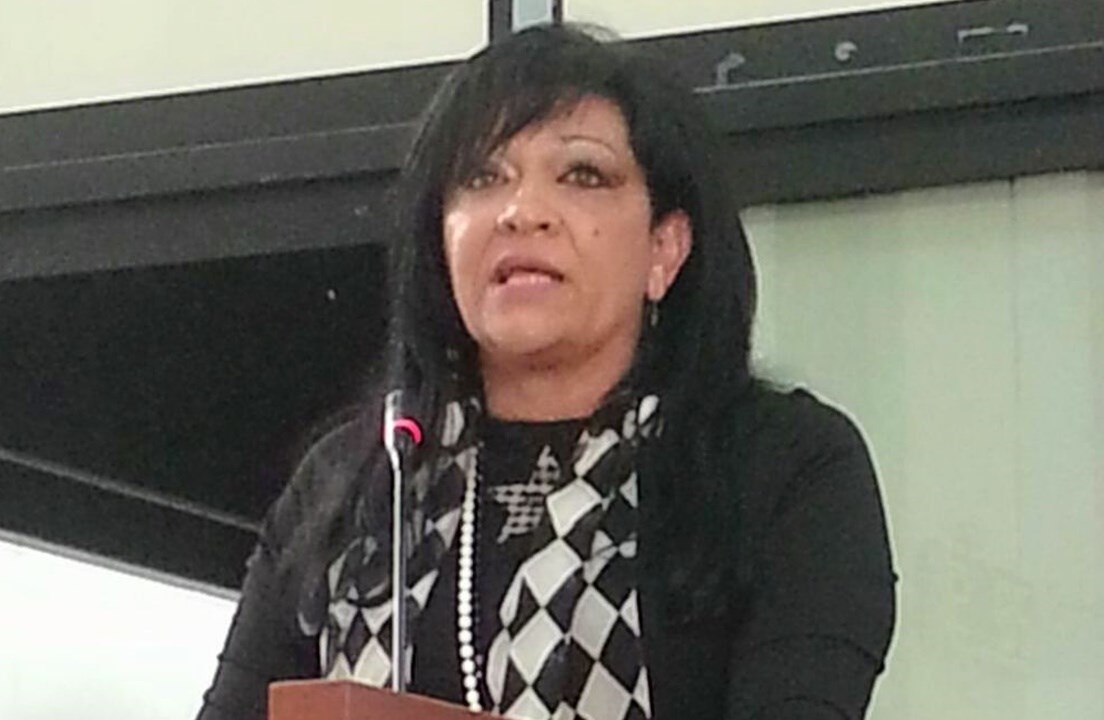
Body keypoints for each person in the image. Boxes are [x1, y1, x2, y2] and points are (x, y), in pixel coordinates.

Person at [198, 23, 896, 720]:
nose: (521, 212)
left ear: (665, 248)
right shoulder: (361, 479)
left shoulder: (784, 466)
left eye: (582, 175)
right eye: (483, 177)